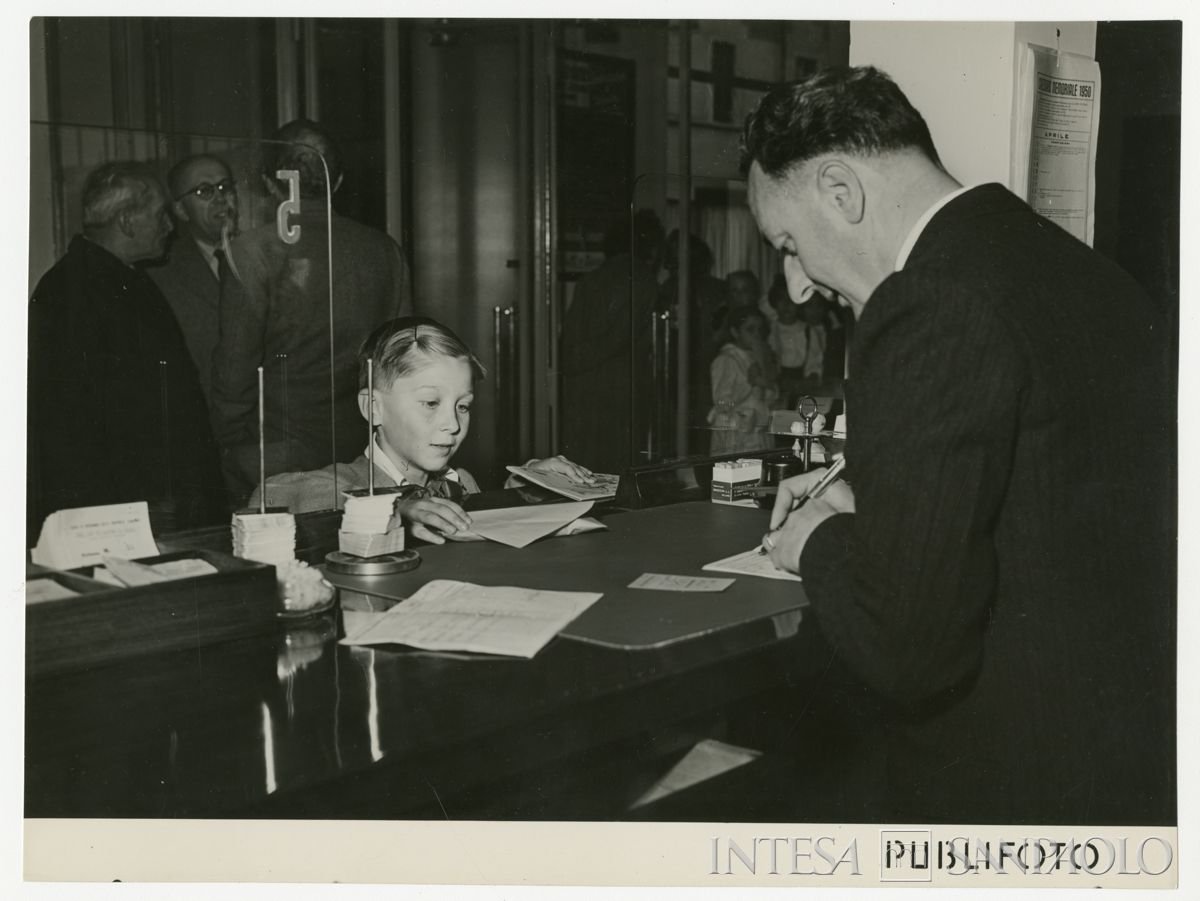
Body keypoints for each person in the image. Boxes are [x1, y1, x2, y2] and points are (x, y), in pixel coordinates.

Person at [745, 66, 1174, 825]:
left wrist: (818, 538)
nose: (799, 284)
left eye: (787, 242)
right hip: (1128, 769)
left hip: (1007, 795)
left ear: (842, 193)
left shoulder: (926, 305)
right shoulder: (1078, 268)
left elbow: (908, 649)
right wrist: (879, 495)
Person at [211, 118, 413, 502]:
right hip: (364, 452)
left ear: (272, 184)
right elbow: (401, 364)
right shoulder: (384, 252)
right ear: (337, 182)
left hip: (275, 455)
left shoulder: (252, 252)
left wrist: (231, 443)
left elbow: (234, 369)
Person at [254, 316, 595, 543]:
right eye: (431, 403)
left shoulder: (460, 482)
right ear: (373, 407)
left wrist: (524, 490)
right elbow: (279, 495)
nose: (453, 424)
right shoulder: (341, 484)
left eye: (463, 406)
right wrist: (392, 513)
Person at [28, 161, 227, 536]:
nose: (170, 227)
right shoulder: (70, 292)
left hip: (152, 500)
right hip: (125, 510)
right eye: (160, 215)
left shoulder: (122, 279)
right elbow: (70, 427)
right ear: (126, 221)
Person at [559, 210, 663, 473]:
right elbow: (622, 335)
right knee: (618, 465)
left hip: (583, 385)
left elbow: (569, 339)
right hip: (621, 386)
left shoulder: (592, 279)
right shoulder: (642, 277)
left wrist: (575, 363)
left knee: (584, 464)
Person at [146, 153, 240, 407]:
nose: (221, 198)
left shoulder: (264, 256)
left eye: (225, 187)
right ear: (180, 210)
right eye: (204, 191)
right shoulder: (160, 273)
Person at [707, 306, 778, 455]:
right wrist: (749, 383)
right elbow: (721, 401)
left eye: (760, 329)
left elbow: (771, 395)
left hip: (757, 432)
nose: (757, 334)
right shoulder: (726, 359)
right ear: (735, 332)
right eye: (750, 330)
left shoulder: (760, 355)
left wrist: (765, 383)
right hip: (735, 433)